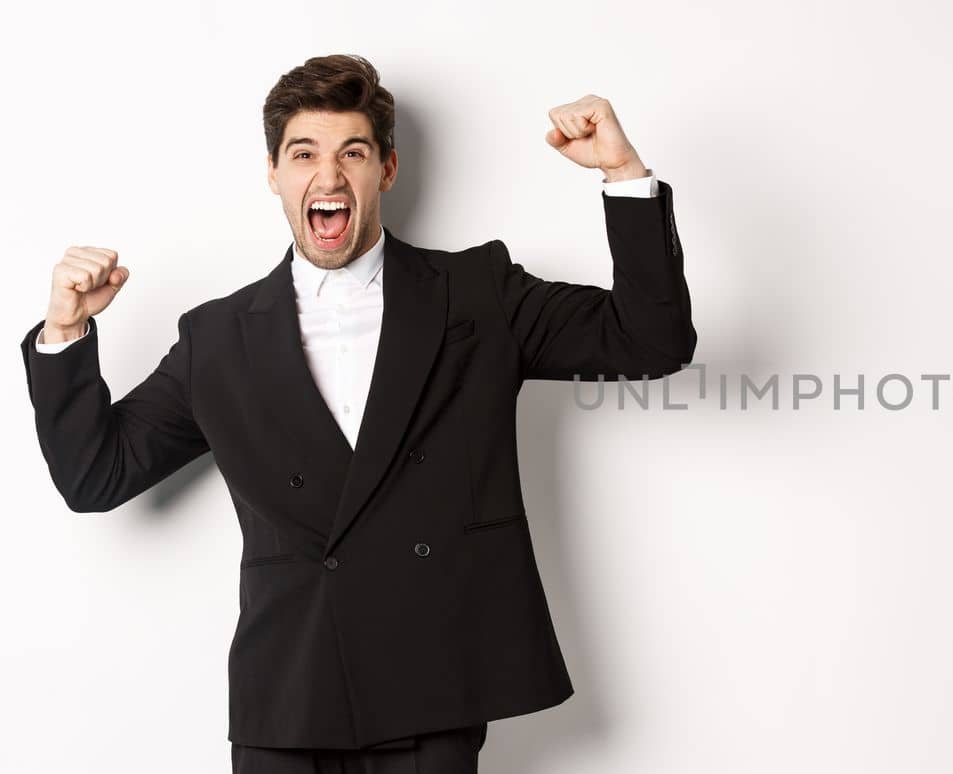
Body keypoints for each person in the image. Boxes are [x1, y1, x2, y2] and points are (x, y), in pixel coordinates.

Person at [19, 53, 695, 773]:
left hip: (431, 691)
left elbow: (649, 339)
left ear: (387, 170)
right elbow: (95, 477)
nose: (330, 175)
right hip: (285, 701)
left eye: (353, 152)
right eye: (304, 153)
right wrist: (65, 331)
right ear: (274, 175)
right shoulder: (216, 338)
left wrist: (622, 172)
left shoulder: (476, 294)